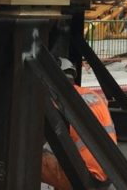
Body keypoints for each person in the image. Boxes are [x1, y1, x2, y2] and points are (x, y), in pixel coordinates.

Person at [40, 59, 117, 189]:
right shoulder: (94, 95)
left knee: (25, 156)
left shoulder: (57, 101)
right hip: (110, 172)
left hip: (86, 176)